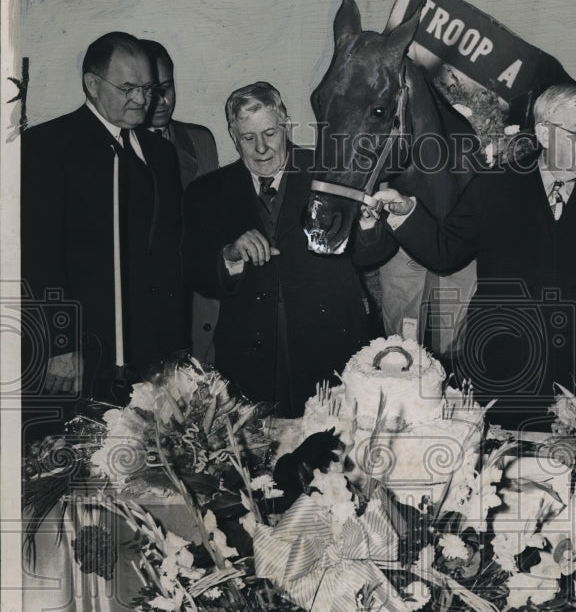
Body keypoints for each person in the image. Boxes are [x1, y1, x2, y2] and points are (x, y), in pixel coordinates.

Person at [363, 83, 576, 430]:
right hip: (501, 373)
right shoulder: (495, 186)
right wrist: (404, 212)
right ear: (544, 133)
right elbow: (444, 252)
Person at [181, 82, 378, 415]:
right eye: (248, 138)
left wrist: (370, 224)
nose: (261, 148)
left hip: (330, 352)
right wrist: (228, 256)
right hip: (248, 363)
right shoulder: (206, 192)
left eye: (270, 133)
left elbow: (371, 255)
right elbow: (196, 274)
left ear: (286, 124)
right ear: (232, 134)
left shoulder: (333, 172)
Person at [21, 31, 186, 419]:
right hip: (82, 355)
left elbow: (166, 252)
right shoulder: (47, 146)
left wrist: (174, 354)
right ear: (92, 85)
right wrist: (60, 343)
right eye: (128, 87)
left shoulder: (161, 153)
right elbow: (38, 253)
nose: (142, 100)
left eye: (147, 88)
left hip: (151, 352)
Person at [141, 39, 221, 363]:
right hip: (146, 306)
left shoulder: (199, 141)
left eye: (167, 87)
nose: (161, 101)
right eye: (151, 90)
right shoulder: (115, 151)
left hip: (194, 300)